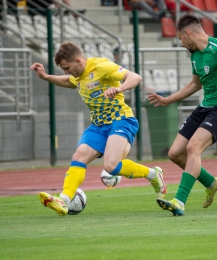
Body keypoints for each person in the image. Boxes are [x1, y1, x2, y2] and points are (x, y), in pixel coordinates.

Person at [31, 41, 167, 216]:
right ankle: (63, 200)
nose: (65, 71)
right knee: (79, 155)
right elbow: (69, 81)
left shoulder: (101, 66)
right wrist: (46, 77)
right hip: (98, 125)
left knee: (111, 166)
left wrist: (119, 88)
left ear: (78, 61)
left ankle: (153, 174)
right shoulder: (78, 75)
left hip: (121, 120)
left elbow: (135, 77)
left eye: (67, 67)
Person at [148, 14, 217, 216]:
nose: (181, 44)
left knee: (193, 147)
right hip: (205, 108)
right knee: (174, 154)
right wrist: (168, 100)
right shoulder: (195, 55)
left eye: (181, 39)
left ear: (188, 33)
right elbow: (195, 84)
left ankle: (179, 201)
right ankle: (211, 182)